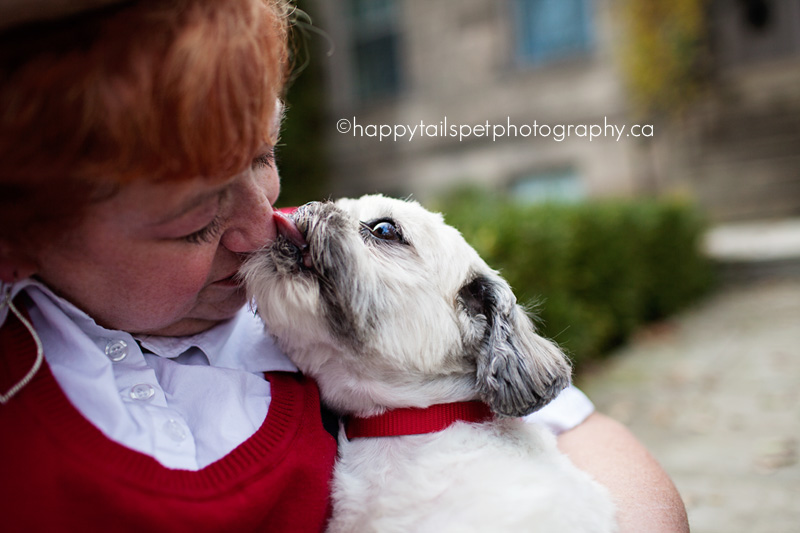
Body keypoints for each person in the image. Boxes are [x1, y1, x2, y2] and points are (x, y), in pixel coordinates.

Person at [0, 1, 688, 532]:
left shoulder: (305, 277)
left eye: (265, 154)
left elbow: (579, 429)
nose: (264, 222)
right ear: (16, 236)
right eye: (194, 222)